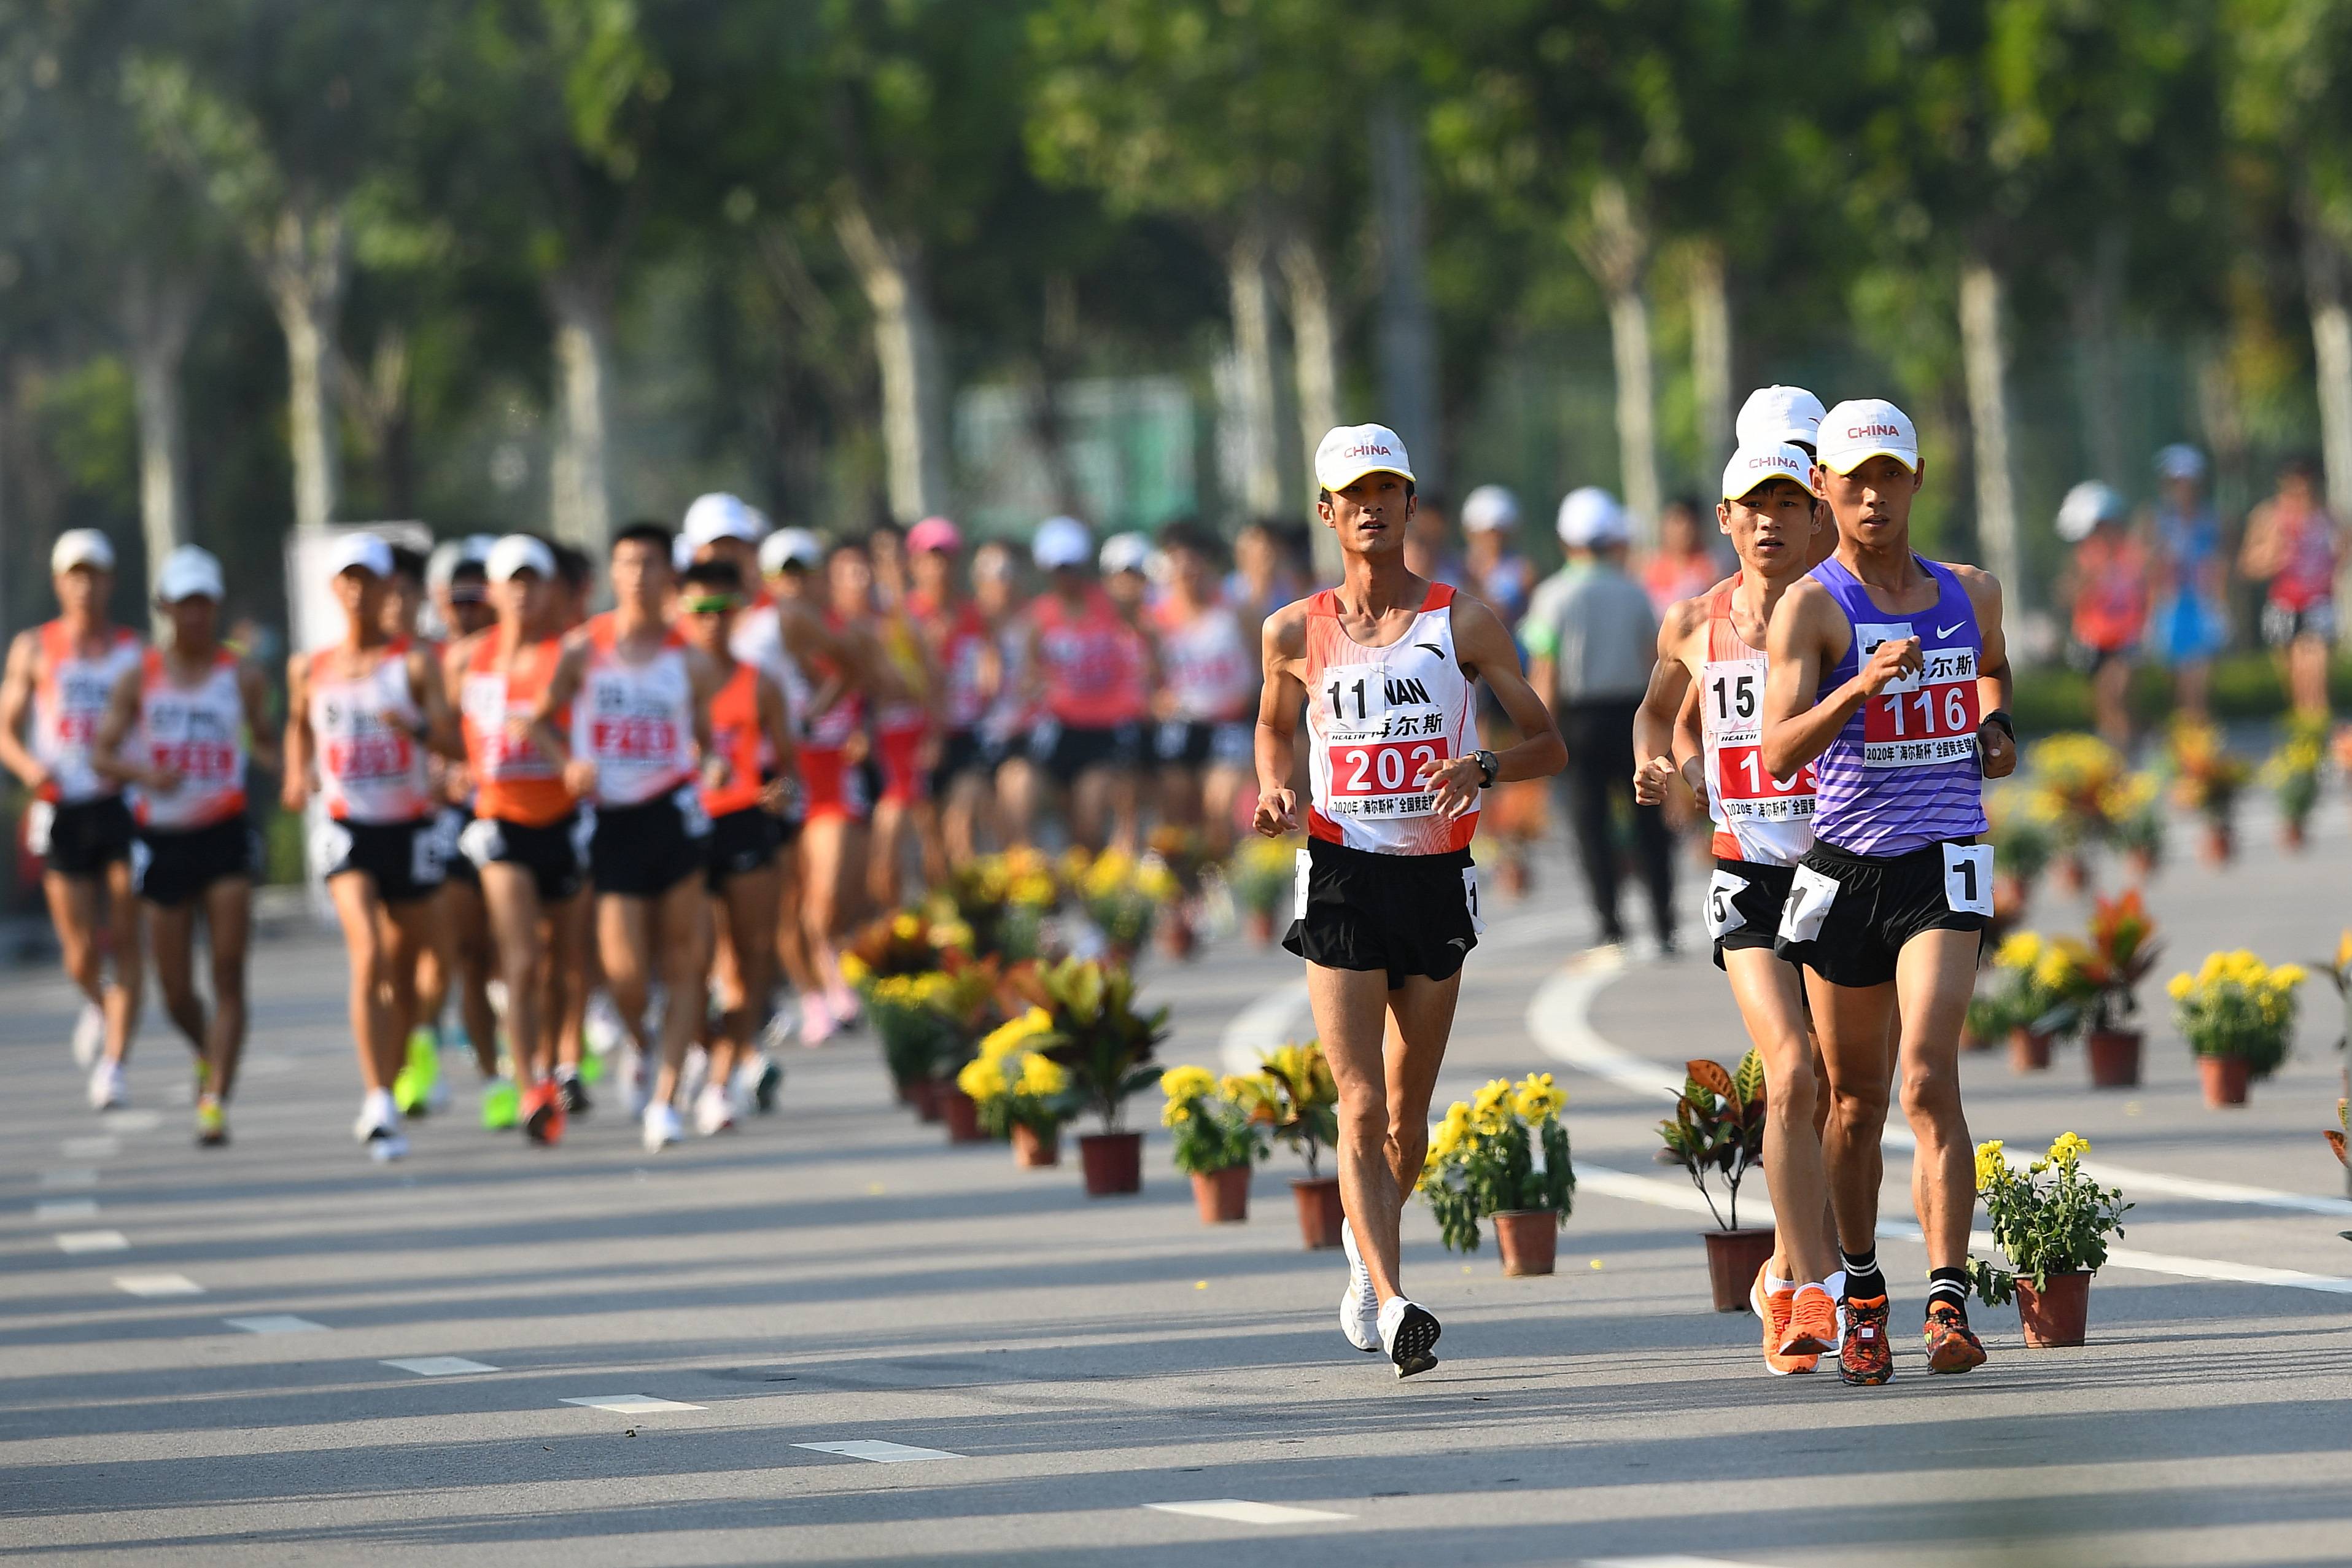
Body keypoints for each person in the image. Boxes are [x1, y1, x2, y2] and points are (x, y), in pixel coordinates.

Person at [1256, 424, 1564, 1379]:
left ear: (1408, 504)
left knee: (1404, 1116)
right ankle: (1391, 1300)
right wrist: (1273, 786)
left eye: (1386, 489)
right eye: (1352, 493)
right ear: (1326, 512)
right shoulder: (1290, 630)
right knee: (1356, 1100)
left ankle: (1363, 1251)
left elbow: (1546, 745)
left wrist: (1482, 766)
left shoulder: (1461, 621)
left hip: (1435, 875)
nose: (1370, 506)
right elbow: (1272, 728)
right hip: (1342, 870)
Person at [1759, 397, 2016, 1387]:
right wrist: (1857, 689)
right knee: (1854, 1102)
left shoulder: (1971, 592)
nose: (1872, 494)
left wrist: (1997, 733)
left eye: (1889, 476)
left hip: (1944, 859)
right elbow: (1779, 747)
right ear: (1824, 488)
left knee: (1924, 1074)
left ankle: (1946, 1296)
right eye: (1852, 478)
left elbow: (1993, 677)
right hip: (1844, 868)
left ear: (1916, 482)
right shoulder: (1812, 606)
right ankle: (1863, 1291)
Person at [1633, 442, 1841, 1373]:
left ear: (1813, 515)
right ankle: (1807, 1296)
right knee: (1790, 1069)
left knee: (1836, 1091)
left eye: (1784, 503)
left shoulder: (1843, 610)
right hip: (1744, 872)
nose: (1766, 520)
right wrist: (1661, 760)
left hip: (1840, 868)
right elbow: (1655, 711)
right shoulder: (1691, 619)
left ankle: (1782, 1271)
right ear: (1724, 519)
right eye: (1748, 505)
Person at [530, 522, 726, 1152]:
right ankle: (640, 1044)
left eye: (649, 563)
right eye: (626, 563)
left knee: (684, 959)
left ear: (670, 574)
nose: (638, 574)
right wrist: (567, 764)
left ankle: (666, 1100)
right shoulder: (583, 648)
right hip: (611, 819)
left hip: (671, 812)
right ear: (612, 576)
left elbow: (708, 741)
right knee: (624, 972)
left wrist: (713, 765)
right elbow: (536, 721)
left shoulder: (689, 659)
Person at [91, 546, 276, 1146]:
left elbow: (269, 744)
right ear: (165, 608)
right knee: (173, 988)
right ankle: (208, 1051)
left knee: (228, 971)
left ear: (215, 606)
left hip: (224, 833)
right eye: (183, 604)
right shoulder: (138, 676)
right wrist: (144, 775)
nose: (194, 615)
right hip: (163, 839)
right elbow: (102, 752)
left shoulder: (242, 675)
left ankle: (215, 1098)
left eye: (203, 603)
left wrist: (298, 766)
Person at [282, 534, 452, 1160]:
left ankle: (401, 1060)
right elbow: (299, 726)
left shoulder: (414, 664)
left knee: (409, 970)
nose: (357, 591)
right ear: (334, 590)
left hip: (406, 826)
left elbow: (457, 745)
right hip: (345, 824)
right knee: (371, 951)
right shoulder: (311, 666)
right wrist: (297, 774)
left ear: (388, 591)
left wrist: (416, 731)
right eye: (346, 580)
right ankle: (377, 1098)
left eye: (368, 580)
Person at [0, 531, 146, 1106]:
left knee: (128, 935)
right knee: (80, 952)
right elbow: (5, 732)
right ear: (60, 583)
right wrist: (31, 769)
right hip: (61, 805)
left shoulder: (135, 651)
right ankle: (97, 999)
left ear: (110, 581)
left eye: (95, 574)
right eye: (74, 575)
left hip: (122, 803)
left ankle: (114, 1065)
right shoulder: (34, 648)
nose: (85, 585)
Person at [446, 534, 583, 1144]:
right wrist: (446, 766)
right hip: (500, 819)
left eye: (534, 580)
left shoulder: (572, 656)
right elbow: (453, 739)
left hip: (566, 819)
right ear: (494, 592)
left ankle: (554, 1063)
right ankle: (530, 1081)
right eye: (512, 581)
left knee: (564, 966)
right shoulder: (465, 661)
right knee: (522, 959)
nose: (523, 591)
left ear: (551, 588)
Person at [1525, 488, 1676, 953]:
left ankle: (1610, 925)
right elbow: (1654, 661)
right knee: (1649, 819)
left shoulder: (1552, 596)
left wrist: (1538, 736)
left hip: (1579, 722)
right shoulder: (1633, 592)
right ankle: (1664, 924)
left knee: (1589, 826)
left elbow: (1545, 675)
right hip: (1631, 714)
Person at [678, 556, 796, 1132]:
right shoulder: (667, 678)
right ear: (682, 613)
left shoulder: (760, 684)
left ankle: (721, 1082)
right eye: (700, 610)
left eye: (723, 610)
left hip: (746, 825)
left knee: (748, 961)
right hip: (685, 826)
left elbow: (787, 769)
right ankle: (704, 1045)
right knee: (691, 961)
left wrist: (779, 792)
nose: (712, 621)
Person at [761, 527, 863, 1044]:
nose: (796, 585)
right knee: (787, 904)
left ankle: (832, 973)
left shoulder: (838, 630)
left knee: (824, 897)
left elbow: (858, 675)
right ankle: (813, 995)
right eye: (786, 575)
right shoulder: (755, 635)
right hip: (781, 779)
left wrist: (821, 710)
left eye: (805, 573)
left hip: (829, 779)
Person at [419, 544, 505, 1109]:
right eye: (458, 600)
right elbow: (438, 735)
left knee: (516, 953)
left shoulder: (525, 655)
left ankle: (535, 1060)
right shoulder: (435, 662)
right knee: (462, 953)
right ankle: (488, 1073)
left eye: (478, 598)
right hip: (456, 818)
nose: (468, 610)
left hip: (517, 814)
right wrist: (443, 770)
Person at [1008, 517, 1151, 853]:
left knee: (1091, 804)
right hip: (1062, 728)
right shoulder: (1039, 617)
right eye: (1058, 568)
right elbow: (1029, 675)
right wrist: (1037, 687)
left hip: (1106, 728)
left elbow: (1147, 640)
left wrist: (1144, 683)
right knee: (1033, 794)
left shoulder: (1110, 603)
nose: (1065, 576)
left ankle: (1101, 879)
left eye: (1071, 567)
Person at [1151, 522, 1259, 856]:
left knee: (1220, 806)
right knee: (1176, 803)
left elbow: (1264, 671)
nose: (1187, 571)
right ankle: (1184, 891)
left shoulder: (1236, 612)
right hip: (1181, 726)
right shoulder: (1154, 620)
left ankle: (1222, 879)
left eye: (1194, 562)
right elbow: (1147, 683)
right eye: (1177, 562)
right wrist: (1158, 701)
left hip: (1229, 724)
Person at [907, 516, 1002, 865]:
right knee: (933, 845)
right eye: (931, 557)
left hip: (964, 735)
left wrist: (987, 688)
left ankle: (971, 914)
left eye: (946, 557)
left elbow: (990, 667)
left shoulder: (972, 614)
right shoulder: (907, 617)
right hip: (917, 739)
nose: (939, 567)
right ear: (915, 563)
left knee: (961, 829)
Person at [2240, 456, 2348, 721]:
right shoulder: (2268, 516)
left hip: (2318, 603)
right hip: (2283, 604)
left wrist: (2334, 566)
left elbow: (2344, 552)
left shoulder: (2329, 517)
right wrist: (2273, 556)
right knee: (2294, 679)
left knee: (2315, 671)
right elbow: (2248, 566)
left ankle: (2318, 730)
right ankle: (2304, 735)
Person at [2057, 481, 2147, 750]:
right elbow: (2066, 594)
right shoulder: (2084, 557)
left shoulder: (2132, 554)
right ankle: (2114, 746)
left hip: (2126, 637)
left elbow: (2146, 590)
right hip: (2094, 638)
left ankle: (2125, 748)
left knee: (2118, 694)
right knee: (2101, 701)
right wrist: (2087, 581)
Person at [2146, 444, 2229, 721]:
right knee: (2177, 677)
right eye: (2176, 483)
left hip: (2201, 603)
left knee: (2200, 676)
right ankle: (2187, 733)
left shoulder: (2210, 520)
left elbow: (2219, 563)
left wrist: (2221, 605)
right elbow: (2145, 565)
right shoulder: (2156, 521)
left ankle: (2200, 731)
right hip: (2170, 605)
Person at [1457, 486, 1535, 627]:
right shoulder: (1457, 567)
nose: (1492, 540)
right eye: (1487, 533)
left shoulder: (1523, 572)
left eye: (1498, 533)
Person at [1643, 496, 1727, 616]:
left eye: (1685, 522)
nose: (1680, 530)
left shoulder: (1712, 567)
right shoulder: (1653, 569)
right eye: (1674, 522)